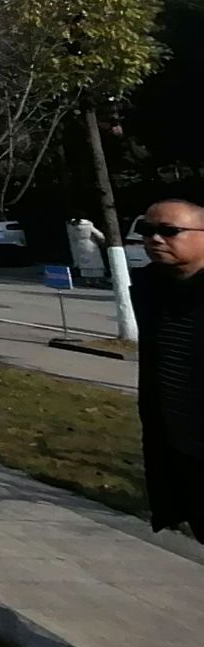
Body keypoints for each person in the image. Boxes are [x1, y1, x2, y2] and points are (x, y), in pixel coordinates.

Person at [131, 189, 204, 542]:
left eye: (169, 231)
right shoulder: (152, 290)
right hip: (181, 453)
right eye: (146, 230)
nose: (154, 239)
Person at [68, 216, 107, 284]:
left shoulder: (74, 226)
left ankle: (87, 280)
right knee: (95, 262)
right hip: (90, 244)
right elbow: (98, 234)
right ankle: (96, 280)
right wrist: (103, 239)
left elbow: (72, 237)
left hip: (79, 245)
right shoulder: (88, 225)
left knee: (84, 262)